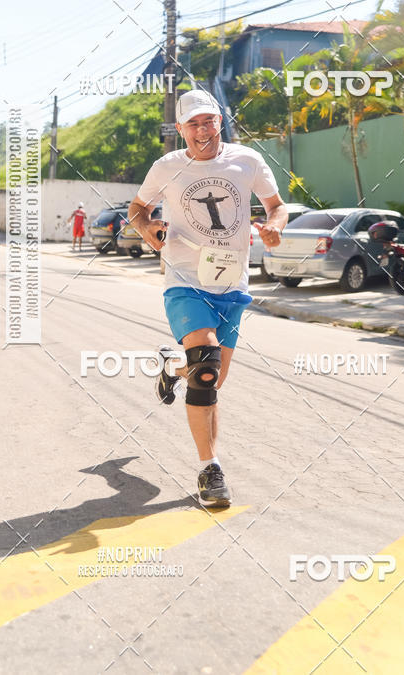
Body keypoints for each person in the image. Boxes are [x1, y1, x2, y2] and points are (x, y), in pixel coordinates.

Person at [129, 89, 287, 507]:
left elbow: (277, 206)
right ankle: (209, 469)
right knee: (206, 369)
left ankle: (172, 365)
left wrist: (274, 226)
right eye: (193, 124)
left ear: (220, 122)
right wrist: (148, 230)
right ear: (180, 130)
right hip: (185, 279)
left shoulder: (246, 160)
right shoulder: (167, 167)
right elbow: (137, 208)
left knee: (211, 378)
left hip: (233, 285)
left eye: (209, 121)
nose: (203, 130)